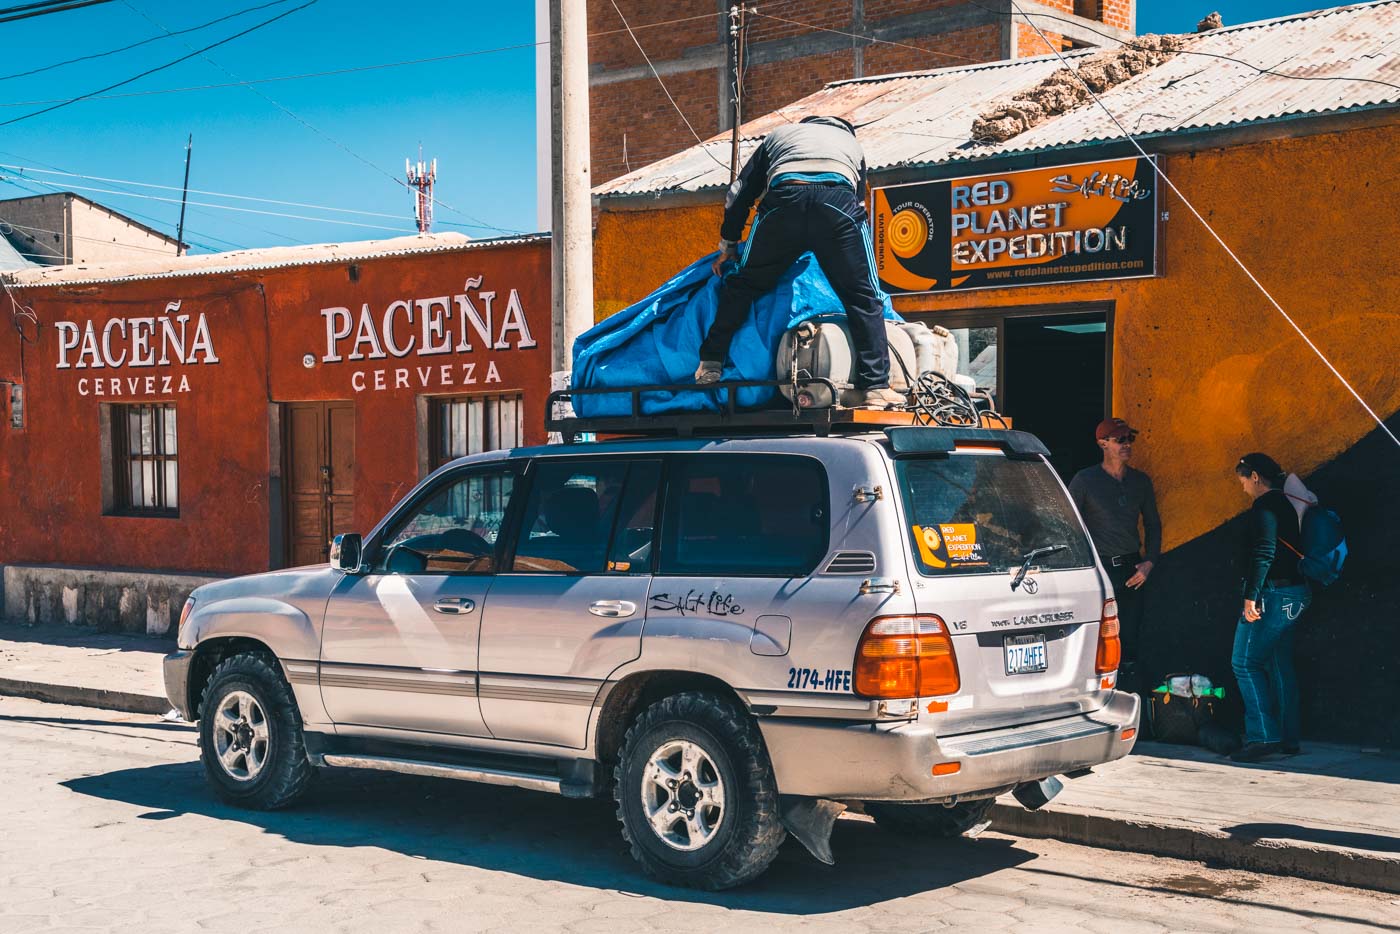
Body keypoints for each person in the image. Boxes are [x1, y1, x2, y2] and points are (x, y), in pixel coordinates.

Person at [694, 115, 902, 410]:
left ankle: (711, 361)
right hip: (836, 203)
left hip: (783, 202)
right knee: (863, 297)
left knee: (744, 284)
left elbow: (739, 193)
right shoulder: (851, 144)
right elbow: (858, 203)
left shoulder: (780, 135)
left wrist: (728, 244)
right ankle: (876, 387)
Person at [1068, 418, 1161, 693]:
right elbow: (1069, 524)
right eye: (1120, 440)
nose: (1127, 445)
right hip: (1099, 570)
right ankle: (1095, 699)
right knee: (1097, 638)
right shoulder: (1085, 480)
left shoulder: (1141, 481)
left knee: (1130, 638)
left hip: (1133, 569)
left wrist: (1150, 562)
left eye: (1130, 439)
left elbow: (1154, 524)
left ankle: (1130, 701)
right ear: (1103, 443)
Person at [1230, 452, 1311, 762]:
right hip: (1296, 593)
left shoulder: (1265, 506)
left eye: (1242, 480)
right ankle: (1289, 739)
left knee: (1244, 663)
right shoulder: (1286, 503)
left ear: (1254, 477)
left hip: (1274, 594)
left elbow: (1264, 551)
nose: (1243, 488)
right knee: (1279, 664)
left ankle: (1263, 737)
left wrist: (1250, 597)